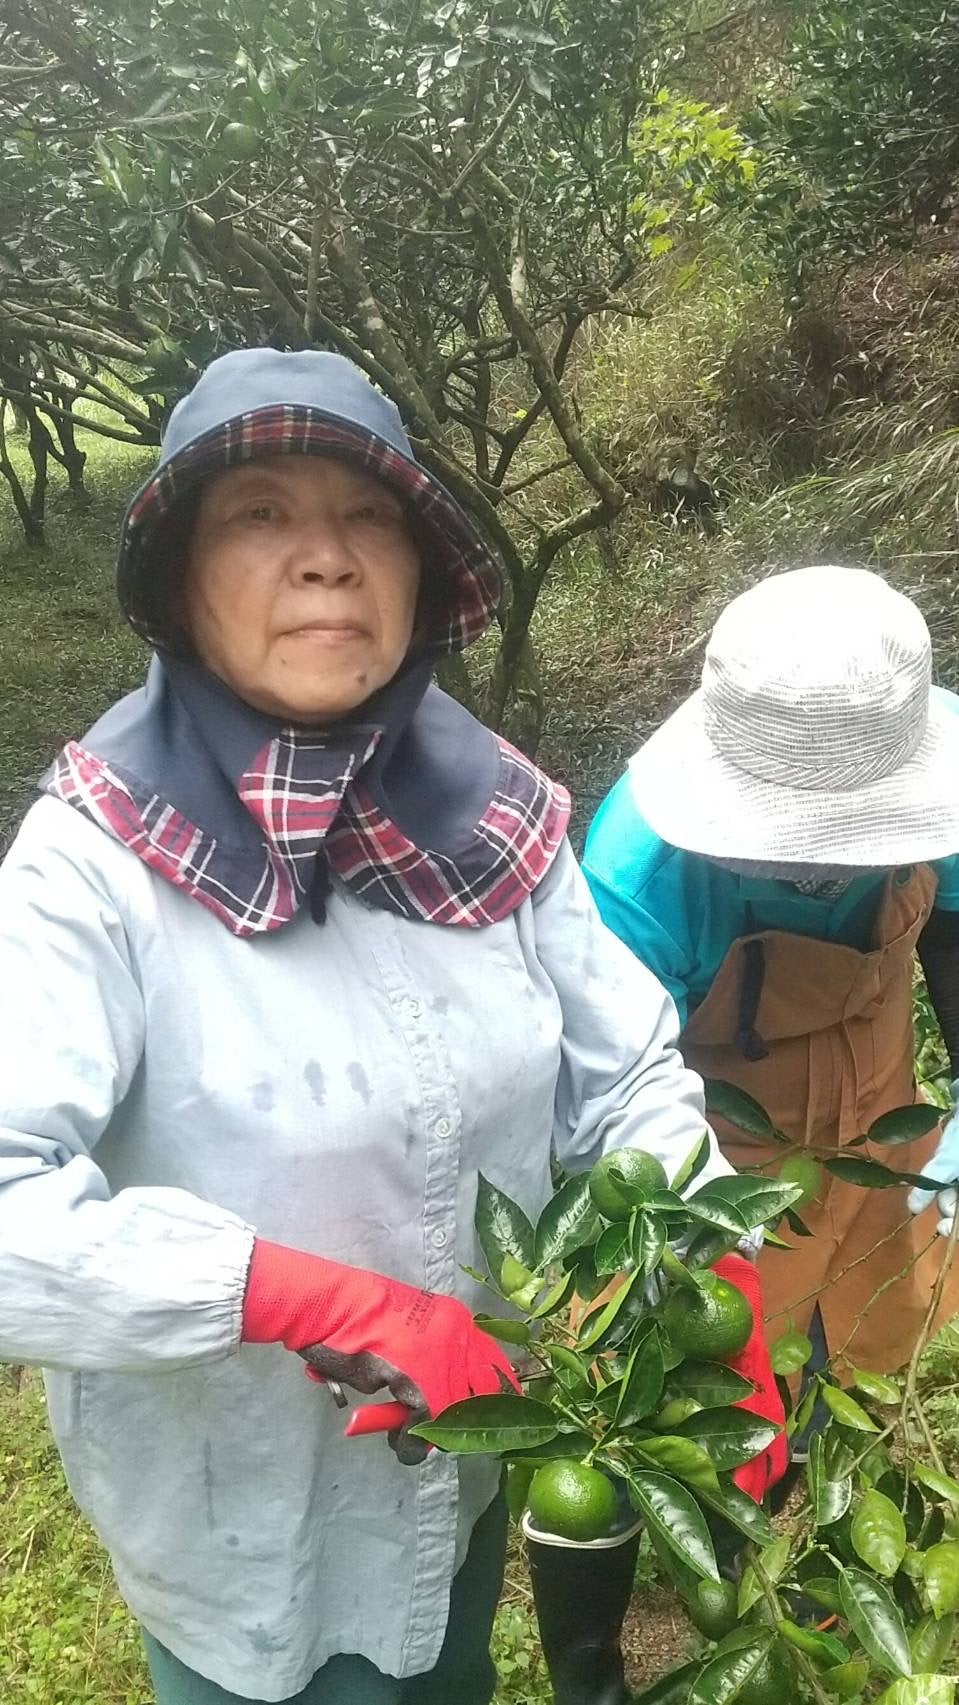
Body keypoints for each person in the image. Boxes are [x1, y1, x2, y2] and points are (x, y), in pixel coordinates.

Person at [0, 349, 782, 1705]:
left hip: (467, 1465)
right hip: (241, 1517)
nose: (327, 557)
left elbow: (620, 1075)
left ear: (421, 575)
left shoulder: (494, 814)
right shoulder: (90, 867)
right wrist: (302, 1294)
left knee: (447, 1664)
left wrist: (717, 1263)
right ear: (179, 578)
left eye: (369, 515)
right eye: (259, 512)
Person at [583, 565, 959, 1386]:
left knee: (865, 1338)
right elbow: (614, 1081)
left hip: (880, 1124)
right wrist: (680, 1210)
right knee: (724, 1378)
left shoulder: (925, 762)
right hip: (723, 1156)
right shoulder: (640, 883)